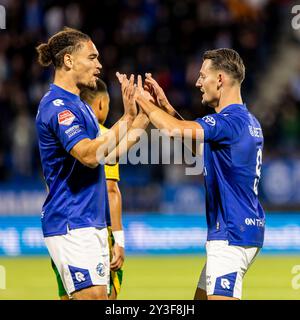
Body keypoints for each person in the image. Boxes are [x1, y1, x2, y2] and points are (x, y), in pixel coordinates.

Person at [134, 48, 265, 300]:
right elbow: (198, 146)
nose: (197, 82)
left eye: (202, 75)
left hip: (230, 234)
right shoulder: (248, 121)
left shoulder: (228, 121)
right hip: (245, 229)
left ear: (220, 80)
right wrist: (167, 108)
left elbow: (173, 131)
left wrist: (143, 101)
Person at [35, 27, 139, 300]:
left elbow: (108, 154)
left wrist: (143, 115)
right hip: (71, 222)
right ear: (69, 60)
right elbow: (90, 155)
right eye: (92, 57)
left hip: (89, 223)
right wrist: (127, 119)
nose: (99, 65)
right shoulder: (58, 107)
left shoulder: (80, 106)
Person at [51, 79, 125, 300]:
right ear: (101, 103)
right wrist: (118, 239)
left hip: (61, 227)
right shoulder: (102, 135)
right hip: (89, 228)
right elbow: (111, 190)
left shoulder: (62, 130)